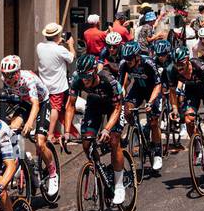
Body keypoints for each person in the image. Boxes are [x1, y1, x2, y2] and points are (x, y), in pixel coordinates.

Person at [64, 54, 126, 197]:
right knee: (86, 144)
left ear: (94, 72)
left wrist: (106, 129)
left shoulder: (108, 80)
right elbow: (70, 105)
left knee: (114, 140)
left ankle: (119, 184)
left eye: (87, 76)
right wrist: (67, 131)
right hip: (95, 104)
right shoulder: (77, 78)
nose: (84, 80)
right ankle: (100, 169)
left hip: (113, 106)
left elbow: (117, 107)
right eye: (82, 76)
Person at [0, 55, 57, 196]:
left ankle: (53, 173)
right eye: (4, 75)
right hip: (25, 103)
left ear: (18, 73)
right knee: (12, 129)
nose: (7, 78)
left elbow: (36, 105)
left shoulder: (28, 79)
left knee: (40, 142)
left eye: (10, 75)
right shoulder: (5, 81)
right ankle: (22, 158)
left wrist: (30, 123)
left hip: (42, 103)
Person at [119, 39, 164, 174]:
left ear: (137, 56)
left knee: (153, 122)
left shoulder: (148, 63)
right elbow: (120, 84)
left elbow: (158, 84)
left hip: (152, 90)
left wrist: (150, 102)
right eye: (126, 59)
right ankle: (136, 129)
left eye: (130, 59)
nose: (128, 61)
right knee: (127, 111)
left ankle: (157, 152)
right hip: (138, 88)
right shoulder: (124, 64)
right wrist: (119, 98)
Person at [36, 22, 75, 144]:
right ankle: (50, 134)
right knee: (55, 108)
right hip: (57, 85)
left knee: (44, 107)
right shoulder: (60, 49)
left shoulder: (40, 46)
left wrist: (58, 43)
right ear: (58, 35)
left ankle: (42, 130)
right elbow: (71, 57)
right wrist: (71, 45)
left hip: (43, 83)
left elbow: (51, 51)